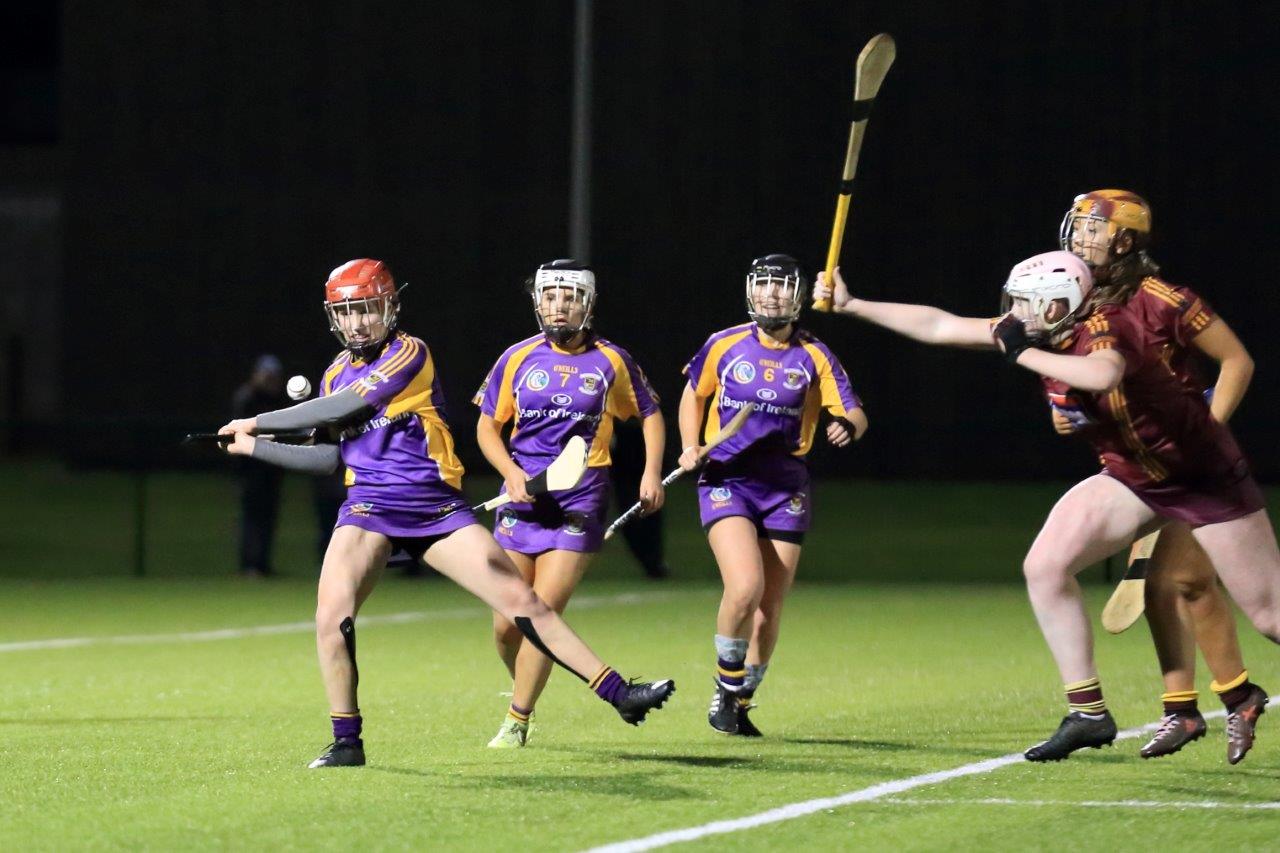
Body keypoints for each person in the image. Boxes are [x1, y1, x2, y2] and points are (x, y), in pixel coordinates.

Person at [814, 235, 1279, 762]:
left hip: (1202, 476)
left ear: (1057, 305)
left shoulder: (1104, 327)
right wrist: (853, 305)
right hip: (1133, 478)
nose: (1010, 314)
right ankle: (1088, 714)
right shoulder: (1044, 331)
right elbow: (939, 325)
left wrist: (1024, 352)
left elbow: (1104, 372)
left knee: (1269, 617)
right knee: (1046, 566)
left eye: (1021, 303)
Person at [218, 258, 675, 769]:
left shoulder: (408, 353)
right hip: (367, 509)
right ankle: (347, 740)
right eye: (346, 312)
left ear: (390, 307)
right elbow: (332, 455)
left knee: (523, 603)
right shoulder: (334, 373)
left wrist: (257, 422)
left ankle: (619, 694)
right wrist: (255, 448)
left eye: (367, 309)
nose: (357, 323)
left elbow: (331, 411)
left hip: (434, 508)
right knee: (331, 617)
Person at [1047, 192, 1267, 763]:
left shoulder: (1164, 299)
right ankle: (1195, 707)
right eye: (1080, 226)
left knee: (1197, 587)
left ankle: (1212, 702)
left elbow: (1237, 362)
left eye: (1093, 228)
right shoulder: (1070, 297)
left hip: (1193, 468)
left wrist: (1205, 434)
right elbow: (1067, 396)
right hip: (1133, 470)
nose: (1078, 235)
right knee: (1169, 583)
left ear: (1124, 241)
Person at [474, 259, 666, 748]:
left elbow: (648, 412)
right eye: (550, 296)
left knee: (542, 609)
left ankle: (518, 719)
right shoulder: (516, 358)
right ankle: (524, 682)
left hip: (581, 498)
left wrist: (649, 473)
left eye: (570, 297)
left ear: (588, 304)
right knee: (504, 626)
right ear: (537, 301)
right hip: (523, 499)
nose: (559, 306)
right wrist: (511, 473)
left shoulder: (611, 361)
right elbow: (486, 427)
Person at [679, 254, 867, 737]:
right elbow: (692, 395)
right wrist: (689, 445)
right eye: (763, 285)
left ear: (798, 297)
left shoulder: (814, 354)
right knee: (745, 587)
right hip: (727, 480)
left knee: (769, 611)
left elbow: (855, 410)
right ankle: (725, 686)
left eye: (781, 287)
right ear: (750, 291)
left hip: (785, 487)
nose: (771, 294)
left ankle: (741, 701)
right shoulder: (724, 345)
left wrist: (846, 425)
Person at [230, 354, 287, 578]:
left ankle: (262, 565)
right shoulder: (246, 398)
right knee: (251, 520)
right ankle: (249, 565)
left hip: (271, 471)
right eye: (267, 375)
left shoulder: (277, 400)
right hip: (250, 471)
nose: (270, 380)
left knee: (268, 519)